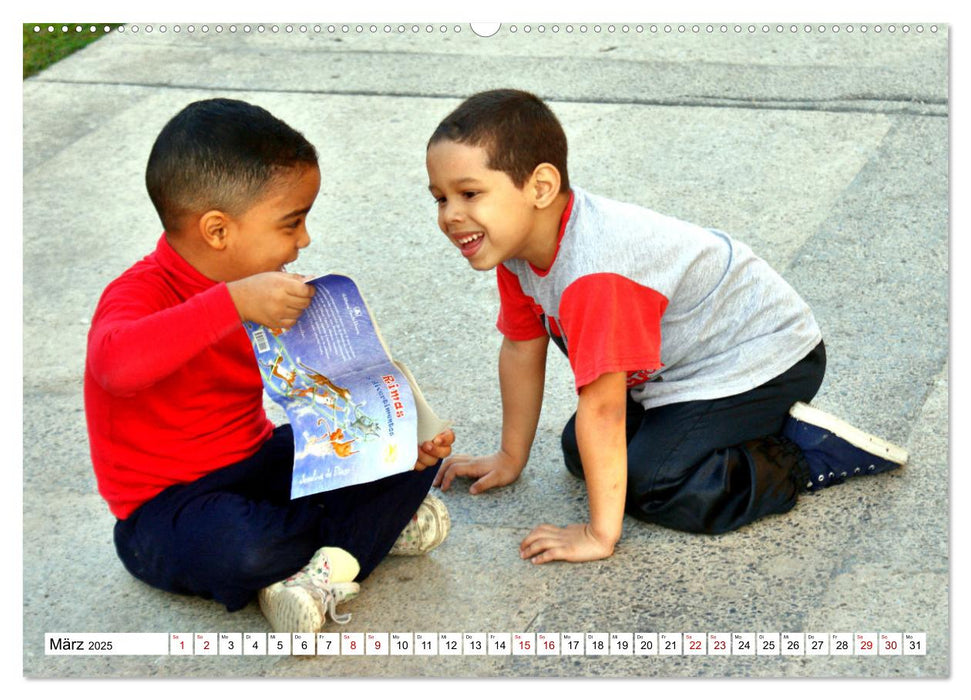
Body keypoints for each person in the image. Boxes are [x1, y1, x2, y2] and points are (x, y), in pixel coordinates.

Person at [425, 89, 907, 566]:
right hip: (677, 368)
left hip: (762, 356)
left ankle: (805, 454)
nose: (450, 215)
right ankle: (733, 432)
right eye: (440, 198)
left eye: (469, 194)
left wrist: (599, 534)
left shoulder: (596, 273)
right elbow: (520, 348)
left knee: (653, 482)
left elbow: (605, 408)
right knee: (579, 450)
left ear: (541, 187)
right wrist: (511, 456)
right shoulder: (519, 250)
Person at [84, 97, 454, 634]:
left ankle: (325, 561)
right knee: (248, 550)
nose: (304, 240)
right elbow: (116, 365)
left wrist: (386, 438)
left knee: (403, 454)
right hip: (165, 510)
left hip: (254, 461)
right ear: (217, 231)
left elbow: (309, 396)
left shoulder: (263, 289)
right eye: (291, 223)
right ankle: (356, 540)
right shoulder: (140, 292)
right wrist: (230, 302)